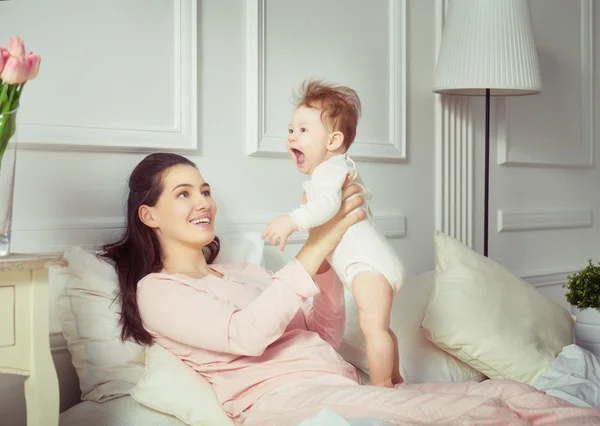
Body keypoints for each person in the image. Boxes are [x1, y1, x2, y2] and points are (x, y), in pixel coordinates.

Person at [102, 152, 600, 426]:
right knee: (482, 412)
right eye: (183, 194)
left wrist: (325, 264)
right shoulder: (157, 291)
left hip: (340, 386)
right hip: (285, 404)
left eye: (205, 189)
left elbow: (321, 329)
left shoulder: (244, 274)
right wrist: (319, 241)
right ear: (149, 215)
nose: (202, 201)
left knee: (511, 392)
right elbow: (245, 336)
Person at [262, 79, 405, 387]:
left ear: (333, 140)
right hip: (372, 263)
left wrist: (292, 220)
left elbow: (327, 205)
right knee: (380, 327)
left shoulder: (329, 170)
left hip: (368, 264)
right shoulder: (332, 171)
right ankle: (395, 380)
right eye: (290, 130)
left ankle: (381, 390)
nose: (292, 137)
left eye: (303, 130)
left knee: (374, 328)